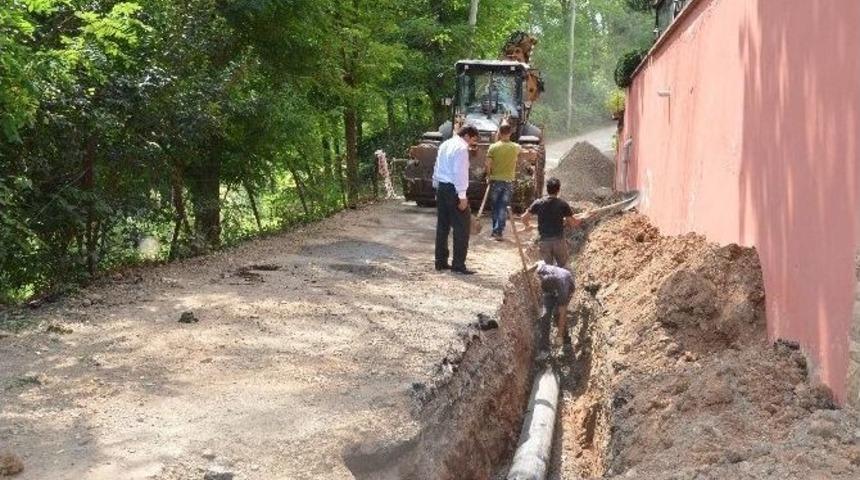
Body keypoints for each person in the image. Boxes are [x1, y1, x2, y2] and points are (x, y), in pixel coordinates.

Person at [433, 124, 480, 275]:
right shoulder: (461, 148)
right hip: (454, 190)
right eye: (473, 139)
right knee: (461, 228)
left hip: (442, 188)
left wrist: (436, 186)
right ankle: (458, 264)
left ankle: (440, 262)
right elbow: (460, 173)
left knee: (443, 227)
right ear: (467, 135)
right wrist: (462, 196)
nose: (472, 143)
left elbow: (437, 167)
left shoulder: (445, 144)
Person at [520, 177, 581, 266]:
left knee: (548, 270)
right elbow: (573, 223)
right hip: (559, 242)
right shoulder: (563, 204)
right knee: (563, 267)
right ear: (558, 190)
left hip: (544, 242)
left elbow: (524, 218)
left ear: (547, 189)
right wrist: (582, 219)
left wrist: (527, 226)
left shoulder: (538, 203)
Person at [485, 123, 520, 241]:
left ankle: (496, 230)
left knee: (495, 206)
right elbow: (524, 153)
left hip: (495, 181)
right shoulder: (515, 147)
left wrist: (489, 176)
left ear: (499, 133)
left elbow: (488, 164)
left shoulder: (493, 147)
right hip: (508, 182)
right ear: (510, 133)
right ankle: (498, 231)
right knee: (503, 207)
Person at [535, 260, 574, 346]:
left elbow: (562, 313)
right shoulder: (543, 270)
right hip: (553, 286)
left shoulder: (563, 290)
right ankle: (544, 348)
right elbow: (539, 263)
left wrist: (559, 335)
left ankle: (565, 338)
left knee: (558, 314)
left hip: (568, 284)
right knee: (545, 315)